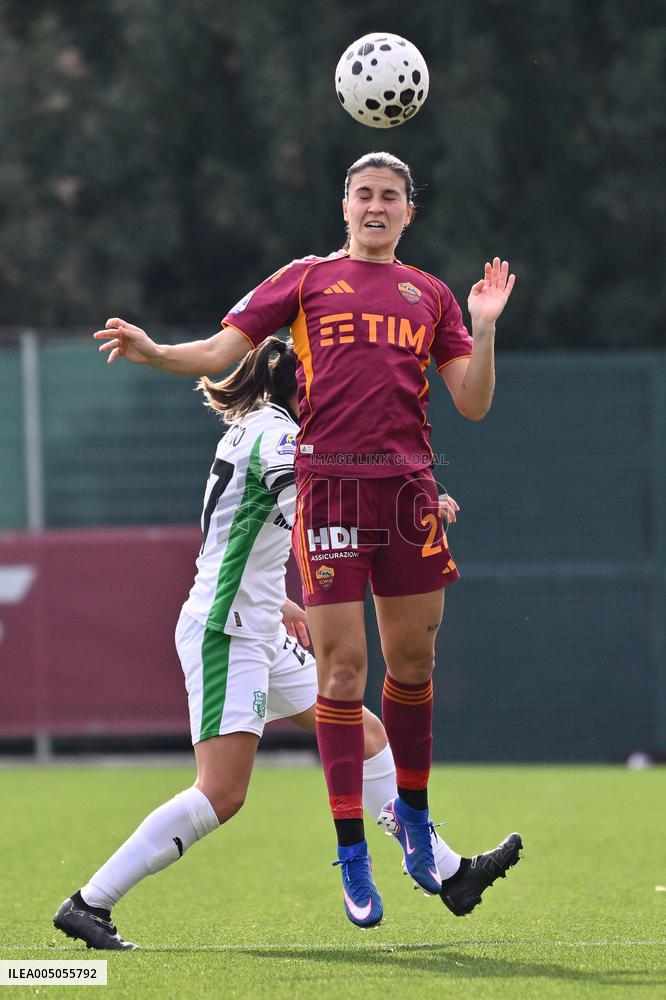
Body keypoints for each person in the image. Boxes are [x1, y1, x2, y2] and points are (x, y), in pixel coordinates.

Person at [92, 152, 519, 929]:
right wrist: (157, 354)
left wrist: (483, 332)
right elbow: (227, 350)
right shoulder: (307, 279)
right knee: (345, 673)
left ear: (408, 211)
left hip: (407, 493)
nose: (376, 206)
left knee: (413, 666)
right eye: (364, 194)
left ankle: (424, 838)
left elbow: (474, 402)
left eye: (391, 196)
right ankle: (355, 855)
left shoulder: (429, 295)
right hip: (331, 488)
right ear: (346, 206)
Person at [54, 338, 519, 947]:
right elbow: (324, 504)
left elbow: (258, 528)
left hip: (259, 625)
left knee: (367, 733)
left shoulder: (266, 428)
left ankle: (452, 873)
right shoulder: (277, 438)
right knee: (221, 792)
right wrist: (416, 499)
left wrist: (280, 600)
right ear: (305, 388)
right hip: (226, 632)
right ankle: (89, 903)